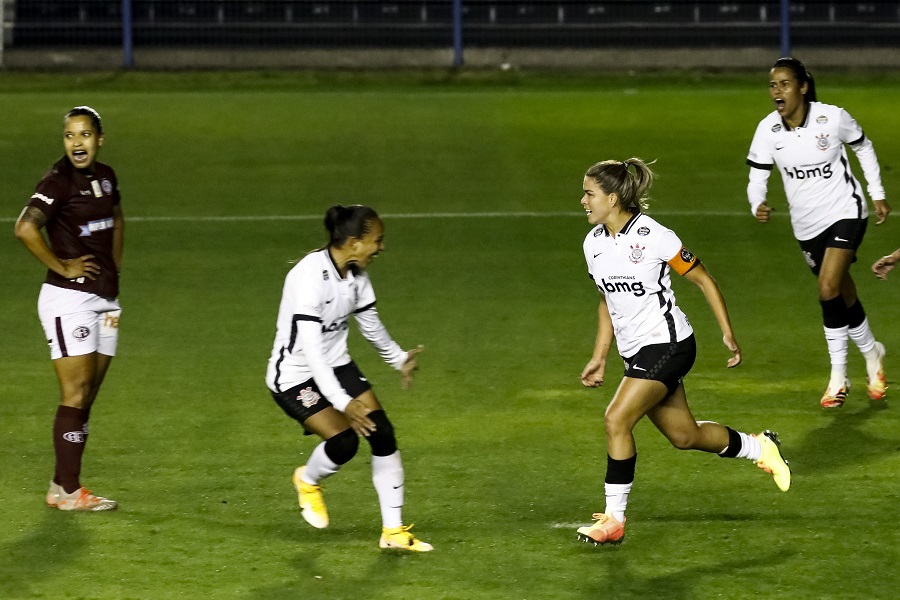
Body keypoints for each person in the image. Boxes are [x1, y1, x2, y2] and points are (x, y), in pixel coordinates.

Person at [575, 158, 791, 546]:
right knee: (685, 436)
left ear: (612, 197)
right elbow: (607, 301)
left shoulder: (655, 236)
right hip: (636, 353)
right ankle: (762, 446)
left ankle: (614, 519)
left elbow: (703, 279)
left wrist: (727, 333)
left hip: (670, 344)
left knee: (616, 421)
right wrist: (600, 355)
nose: (583, 201)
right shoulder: (593, 244)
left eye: (589, 194)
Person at [266, 204, 432, 552]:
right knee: (344, 442)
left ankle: (393, 532)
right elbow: (311, 352)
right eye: (377, 240)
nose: (381, 247)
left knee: (382, 433)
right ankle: (308, 480)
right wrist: (343, 403)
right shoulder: (308, 276)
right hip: (295, 376)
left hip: (337, 365)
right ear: (355, 242)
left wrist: (398, 359)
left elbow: (370, 325)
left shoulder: (356, 274)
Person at [745, 57, 891, 407]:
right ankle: (873, 353)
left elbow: (863, 147)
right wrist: (757, 203)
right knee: (841, 290)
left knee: (827, 288)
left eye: (784, 84)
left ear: (803, 87)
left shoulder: (832, 117)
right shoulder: (768, 130)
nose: (776, 91)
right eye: (772, 85)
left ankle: (838, 378)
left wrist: (877, 193)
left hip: (845, 211)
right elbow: (757, 176)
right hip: (806, 224)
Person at [14, 106, 123, 511]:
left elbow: (115, 217)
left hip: (106, 299)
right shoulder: (57, 182)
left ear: (99, 138)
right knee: (74, 392)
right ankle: (71, 492)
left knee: (88, 393)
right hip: (69, 299)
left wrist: (114, 269)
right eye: (69, 136)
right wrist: (62, 266)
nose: (76, 143)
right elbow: (25, 228)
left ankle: (61, 485)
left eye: (84, 135)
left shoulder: (107, 177)